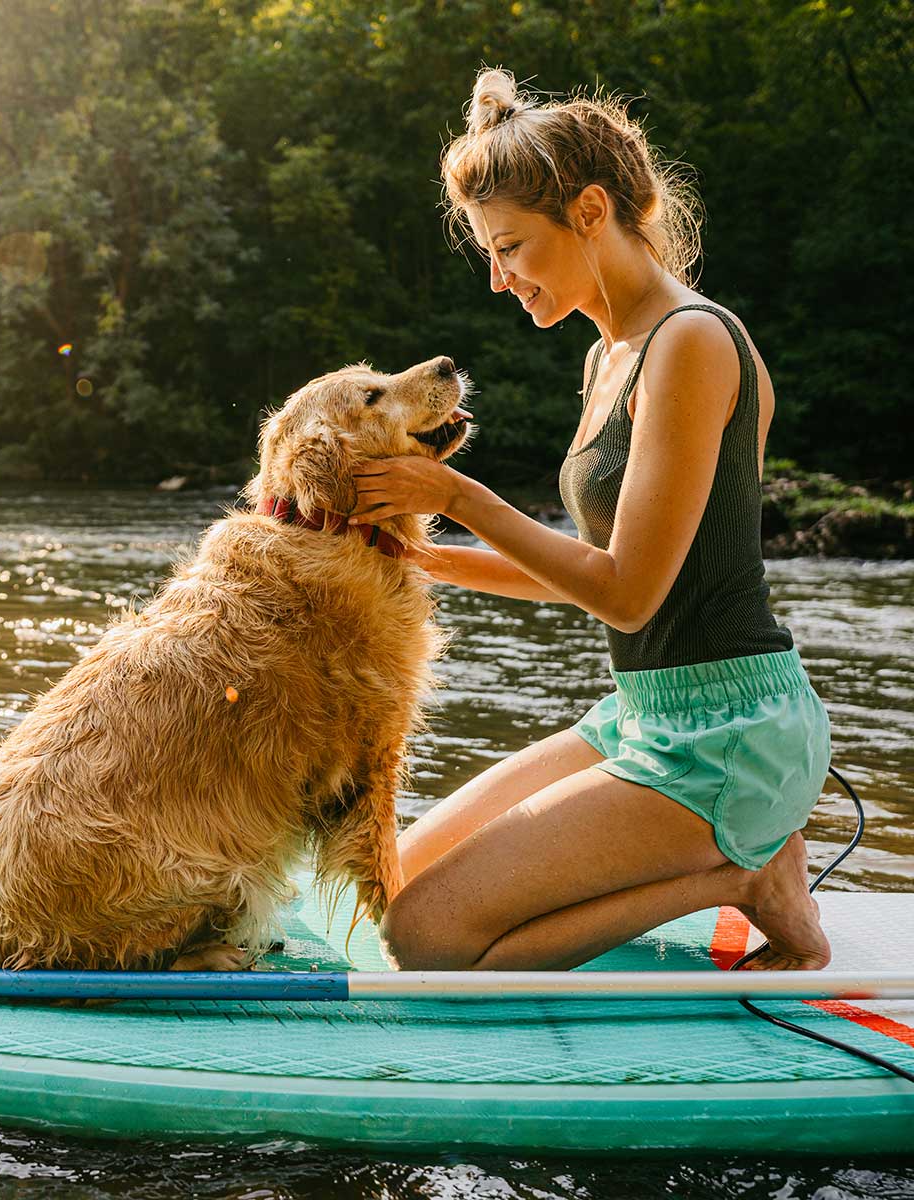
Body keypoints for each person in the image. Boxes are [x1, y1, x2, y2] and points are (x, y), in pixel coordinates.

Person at [350, 68, 833, 972]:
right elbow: (589, 564)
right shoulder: (607, 355)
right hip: (647, 716)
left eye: (511, 248)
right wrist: (418, 561)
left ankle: (748, 878)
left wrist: (458, 498)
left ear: (588, 210)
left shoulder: (690, 342)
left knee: (429, 939)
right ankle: (734, 859)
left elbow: (628, 595)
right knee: (398, 880)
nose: (500, 280)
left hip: (732, 737)